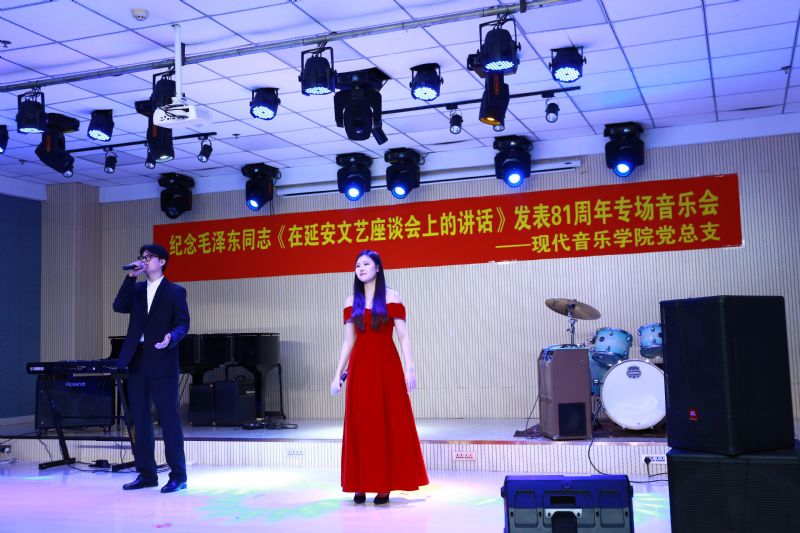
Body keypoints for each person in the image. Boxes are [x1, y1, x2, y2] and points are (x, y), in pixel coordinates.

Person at [330, 249, 428, 505]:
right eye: (357, 265)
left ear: (377, 268)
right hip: (360, 367)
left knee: (386, 422)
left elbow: (403, 336)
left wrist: (410, 367)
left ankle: (383, 485)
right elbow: (348, 341)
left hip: (386, 365)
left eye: (366, 264)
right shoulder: (350, 301)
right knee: (361, 424)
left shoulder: (392, 296)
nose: (361, 268)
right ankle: (359, 483)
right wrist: (337, 374)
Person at [113, 244, 190, 493]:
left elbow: (183, 324)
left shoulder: (175, 291)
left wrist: (171, 337)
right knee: (140, 419)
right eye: (142, 257)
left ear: (162, 262)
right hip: (137, 359)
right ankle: (147, 473)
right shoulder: (136, 290)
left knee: (168, 418)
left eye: (149, 257)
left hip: (162, 359)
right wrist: (130, 276)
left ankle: (178, 475)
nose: (144, 260)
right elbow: (118, 305)